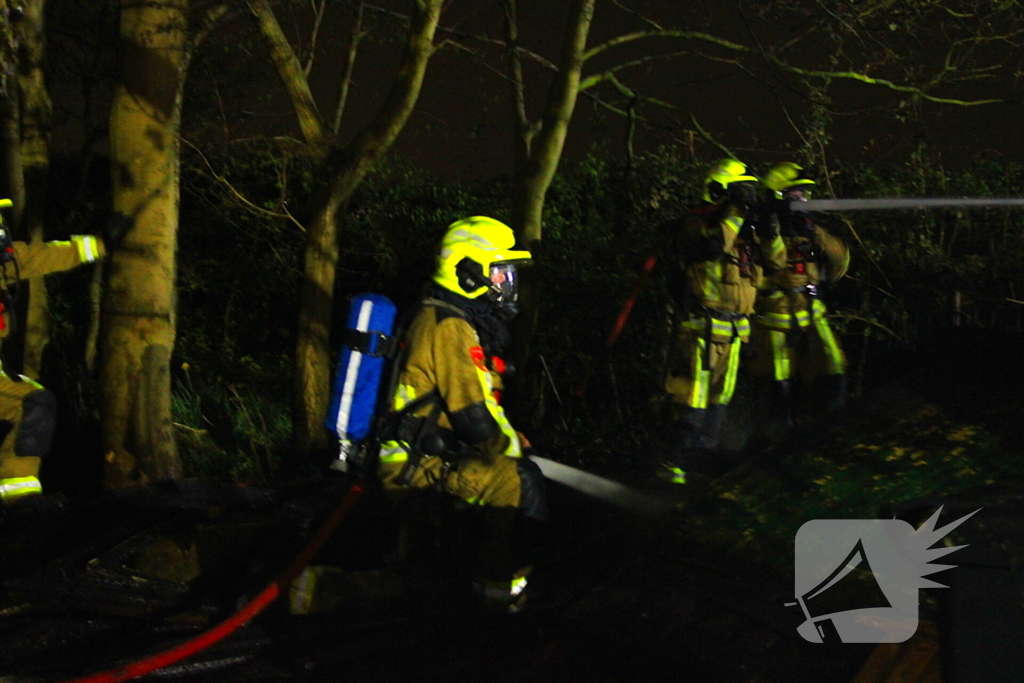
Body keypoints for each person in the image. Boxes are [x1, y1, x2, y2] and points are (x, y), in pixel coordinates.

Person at [375, 216, 546, 612]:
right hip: (413, 469)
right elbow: (473, 418)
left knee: (509, 466)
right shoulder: (449, 327)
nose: (506, 283)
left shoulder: (441, 316)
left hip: (424, 457)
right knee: (515, 480)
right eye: (499, 272)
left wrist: (511, 439)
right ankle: (498, 595)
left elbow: (476, 407)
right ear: (468, 273)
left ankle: (471, 582)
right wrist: (511, 452)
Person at [660, 159, 787, 484]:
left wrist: (771, 231)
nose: (746, 197)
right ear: (721, 191)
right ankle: (671, 465)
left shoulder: (744, 230)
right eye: (741, 191)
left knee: (719, 403)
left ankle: (698, 466)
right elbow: (712, 249)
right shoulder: (695, 223)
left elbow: (776, 265)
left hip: (734, 333)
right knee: (692, 401)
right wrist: (735, 212)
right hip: (701, 332)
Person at [0, 199, 123, 515]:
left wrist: (101, 243)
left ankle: (18, 504)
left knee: (33, 402)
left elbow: (45, 255)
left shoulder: (5, 263)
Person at [749, 162, 850, 440]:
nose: (803, 199)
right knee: (776, 388)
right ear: (778, 196)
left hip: (812, 318)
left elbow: (839, 267)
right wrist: (772, 235)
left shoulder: (810, 228)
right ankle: (774, 444)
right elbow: (760, 270)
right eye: (796, 194)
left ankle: (825, 438)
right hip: (773, 324)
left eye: (804, 194)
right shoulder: (757, 229)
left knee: (833, 372)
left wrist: (819, 236)